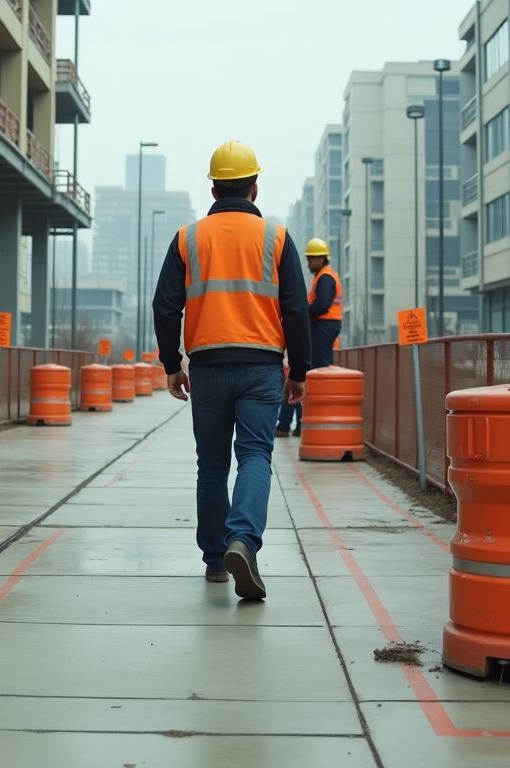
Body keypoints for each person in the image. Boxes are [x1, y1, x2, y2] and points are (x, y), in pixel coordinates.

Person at [152, 140, 311, 600]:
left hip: (206, 366)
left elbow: (166, 307)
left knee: (212, 465)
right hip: (262, 366)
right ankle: (243, 538)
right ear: (254, 188)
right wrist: (298, 371)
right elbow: (297, 310)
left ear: (215, 187)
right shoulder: (276, 238)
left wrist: (170, 364)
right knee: (256, 456)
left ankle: (217, 561)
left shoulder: (188, 238)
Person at [284, 238, 343, 434]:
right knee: (316, 371)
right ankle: (306, 422)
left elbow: (323, 305)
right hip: (324, 327)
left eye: (310, 259)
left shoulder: (325, 277)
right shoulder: (322, 276)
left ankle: (314, 419)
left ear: (320, 258)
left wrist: (301, 313)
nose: (308, 263)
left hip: (323, 327)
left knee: (318, 371)